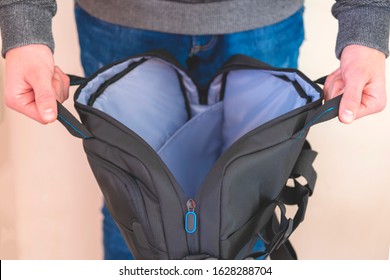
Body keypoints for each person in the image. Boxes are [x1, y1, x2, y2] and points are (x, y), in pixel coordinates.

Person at [0, 0, 389, 260]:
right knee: (134, 209)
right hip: (120, 17)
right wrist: (24, 24)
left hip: (261, 17)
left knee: (252, 210)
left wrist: (367, 24)